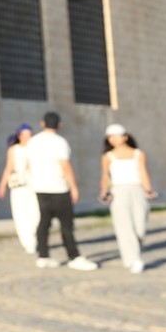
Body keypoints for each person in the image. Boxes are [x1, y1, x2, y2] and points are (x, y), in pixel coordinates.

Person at [27, 111, 97, 270]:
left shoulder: (33, 142)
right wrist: (73, 186)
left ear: (42, 123)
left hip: (40, 187)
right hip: (58, 187)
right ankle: (73, 256)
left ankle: (43, 255)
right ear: (59, 125)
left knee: (44, 222)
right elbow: (65, 165)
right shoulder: (60, 142)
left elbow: (29, 164)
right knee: (66, 224)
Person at [98, 123, 157, 274]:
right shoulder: (108, 156)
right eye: (110, 137)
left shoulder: (138, 154)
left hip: (137, 189)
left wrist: (148, 189)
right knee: (124, 226)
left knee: (140, 226)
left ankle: (133, 255)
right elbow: (105, 175)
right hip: (118, 191)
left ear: (125, 137)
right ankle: (134, 259)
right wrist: (104, 191)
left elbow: (143, 171)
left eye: (116, 136)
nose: (113, 140)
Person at [0, 123, 39, 254]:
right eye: (25, 135)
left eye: (29, 135)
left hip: (34, 182)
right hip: (19, 184)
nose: (27, 137)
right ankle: (27, 241)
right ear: (19, 136)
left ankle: (33, 236)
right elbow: (9, 167)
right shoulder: (14, 149)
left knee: (36, 212)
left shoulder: (35, 148)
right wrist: (2, 185)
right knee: (21, 213)